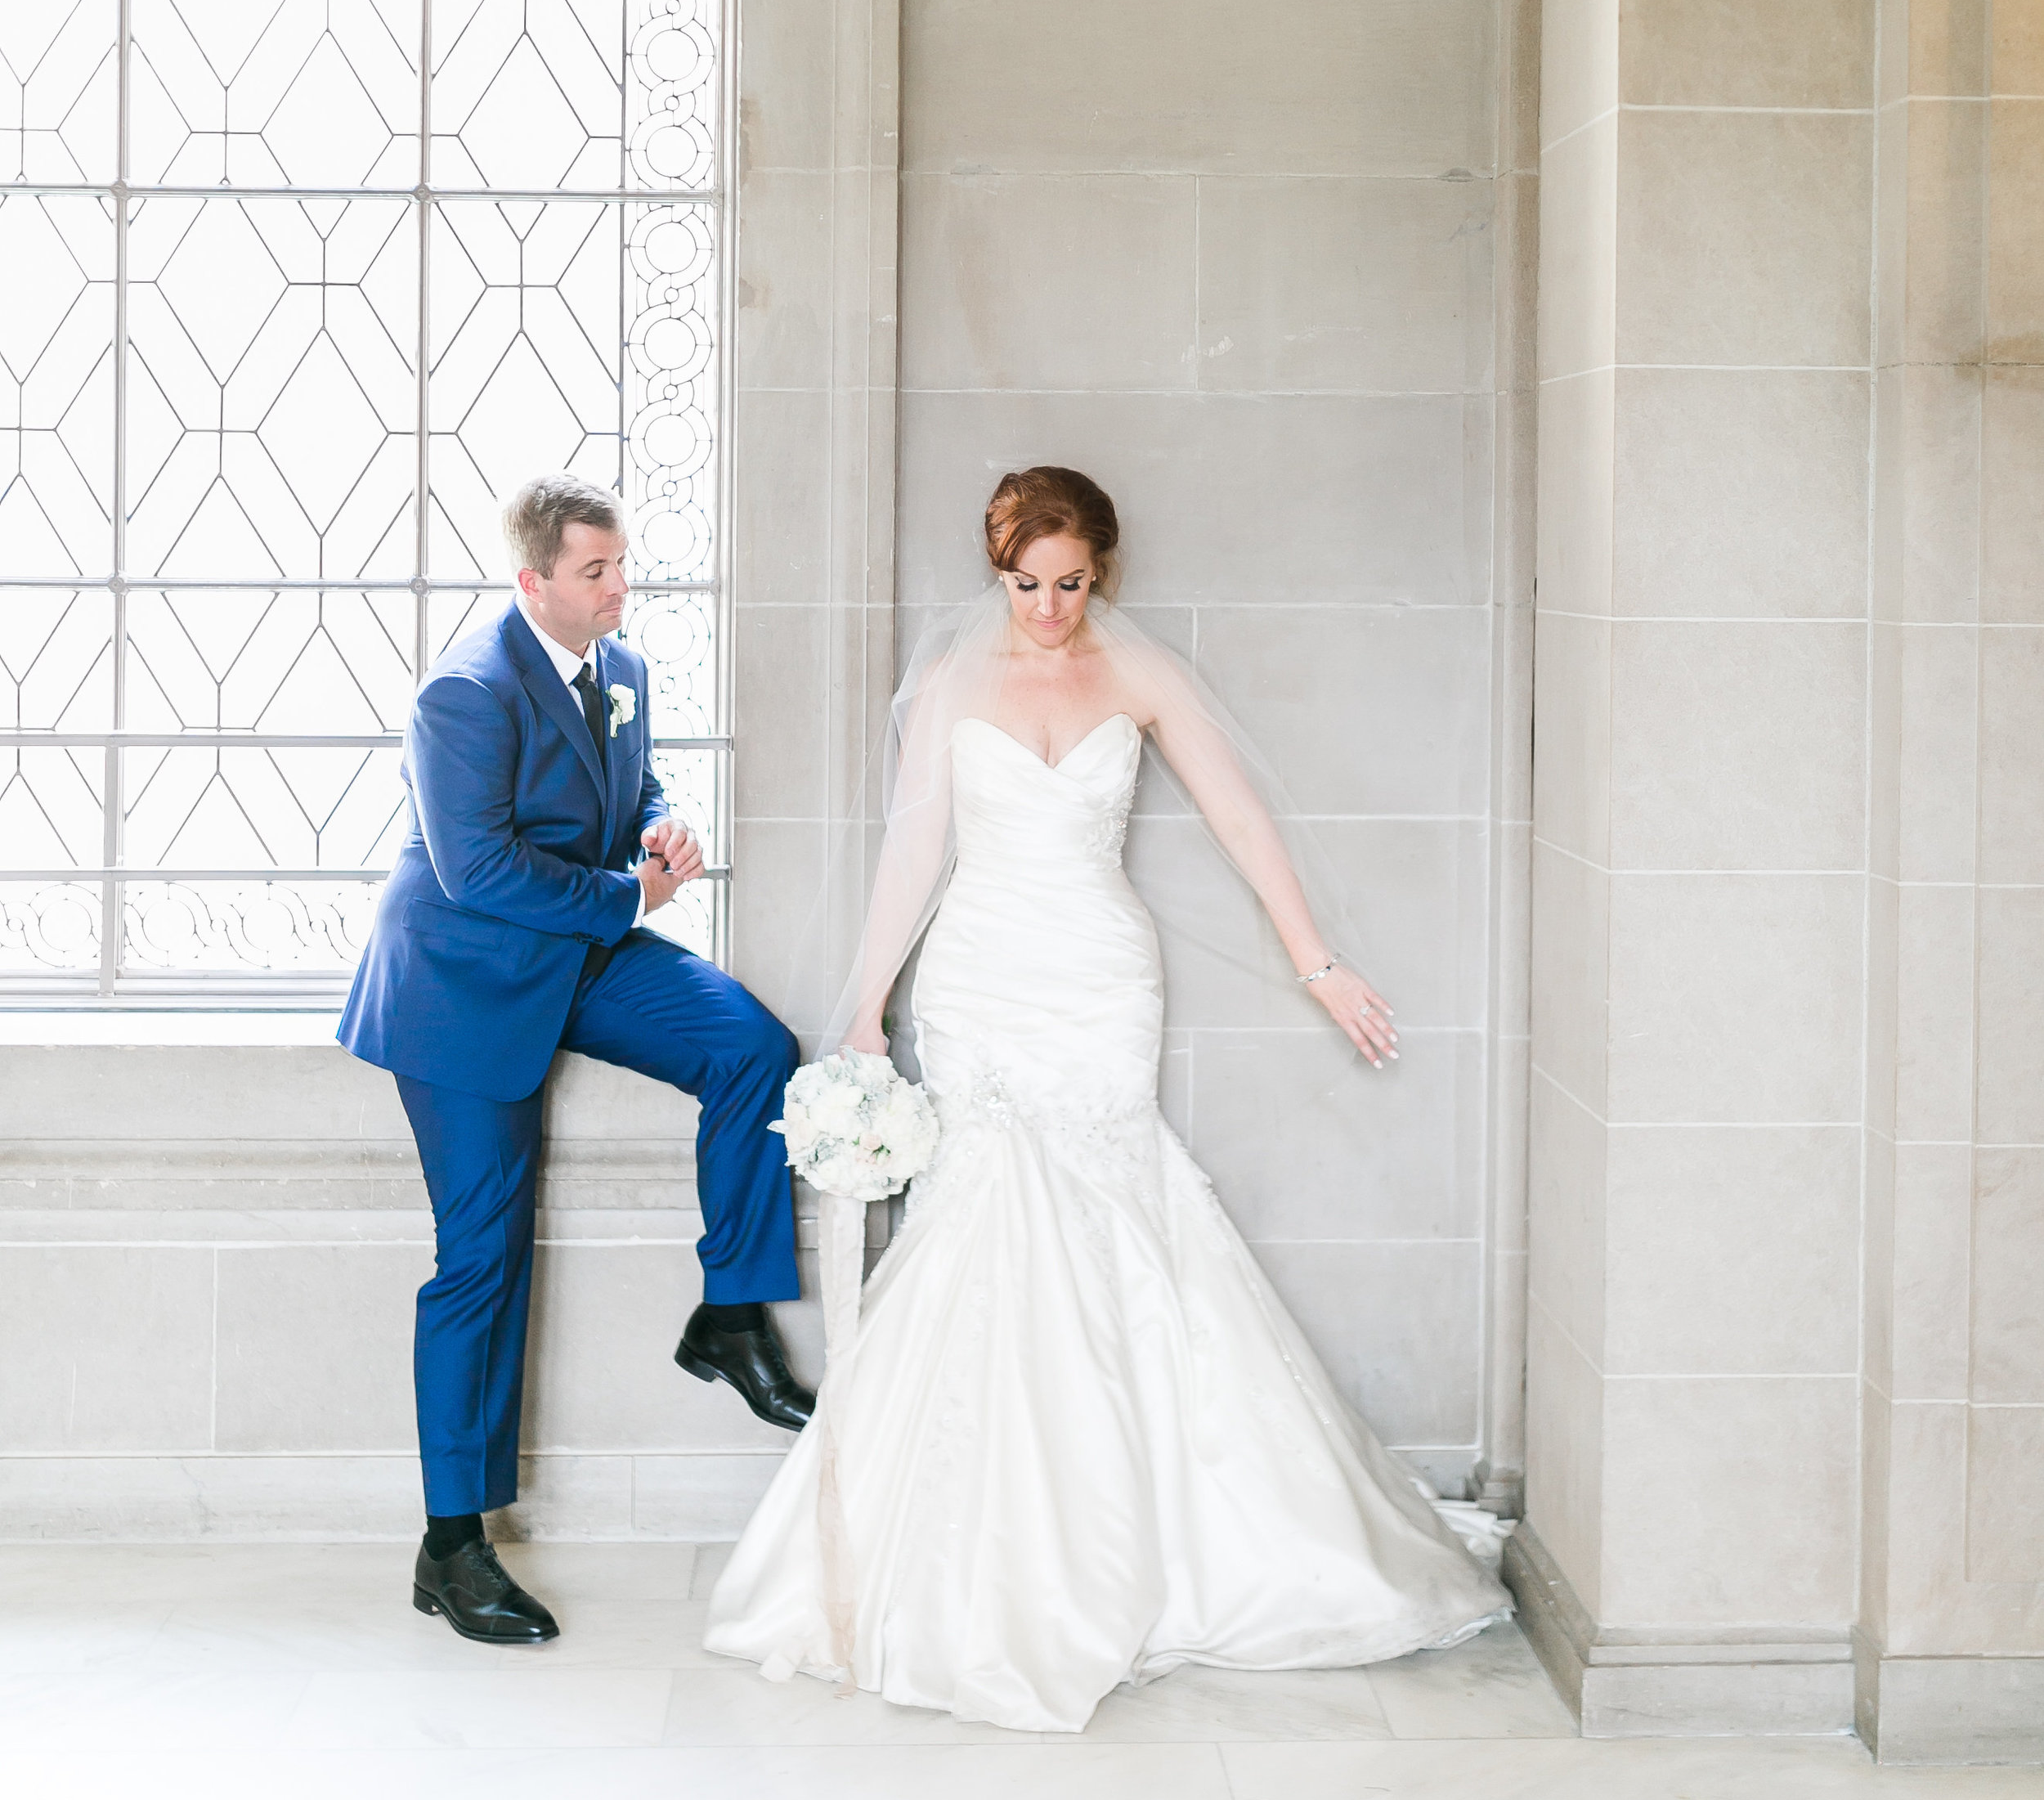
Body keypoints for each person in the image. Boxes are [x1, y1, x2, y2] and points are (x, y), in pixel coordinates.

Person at [706, 464, 1506, 1731]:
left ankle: (1167, 1544)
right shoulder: (958, 683)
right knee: (985, 1225)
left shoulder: (1138, 674)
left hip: (1101, 986)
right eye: (1026, 584)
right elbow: (914, 849)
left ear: (1102, 575)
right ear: (999, 570)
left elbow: (1240, 819)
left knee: (1118, 1216)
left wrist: (1320, 959)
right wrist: (865, 1006)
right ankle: (974, 1562)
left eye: (1071, 584)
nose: (1047, 608)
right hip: (976, 986)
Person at [338, 473, 810, 1646]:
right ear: (532, 579)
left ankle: (733, 1312)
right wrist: (624, 891)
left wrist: (656, 823)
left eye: (620, 564)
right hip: (463, 987)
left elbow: (627, 785)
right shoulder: (463, 692)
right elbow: (475, 871)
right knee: (481, 1259)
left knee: (755, 1044)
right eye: (595, 570)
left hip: (582, 948)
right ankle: (452, 1546)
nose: (619, 586)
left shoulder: (625, 672)